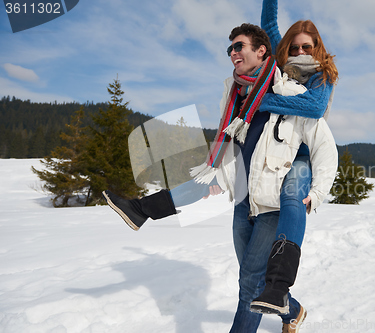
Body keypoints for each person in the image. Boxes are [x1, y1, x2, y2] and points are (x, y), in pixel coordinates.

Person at [103, 23, 308, 332]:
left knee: (251, 281)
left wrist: (310, 188)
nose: (233, 53)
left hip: (271, 199)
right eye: (230, 50)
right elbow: (231, 140)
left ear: (261, 50)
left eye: (239, 47)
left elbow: (314, 141)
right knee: (250, 274)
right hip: (241, 193)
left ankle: (142, 210)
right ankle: (291, 310)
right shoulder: (236, 92)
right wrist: (218, 170)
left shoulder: (285, 89)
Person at [246, 0, 340, 325]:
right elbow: (268, 24)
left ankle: (278, 286)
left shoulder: (321, 77)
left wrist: (261, 100)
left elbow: (313, 108)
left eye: (307, 46)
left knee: (291, 197)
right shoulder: (278, 65)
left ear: (317, 49)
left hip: (302, 154)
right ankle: (291, 310)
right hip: (271, 151)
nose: (300, 50)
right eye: (295, 45)